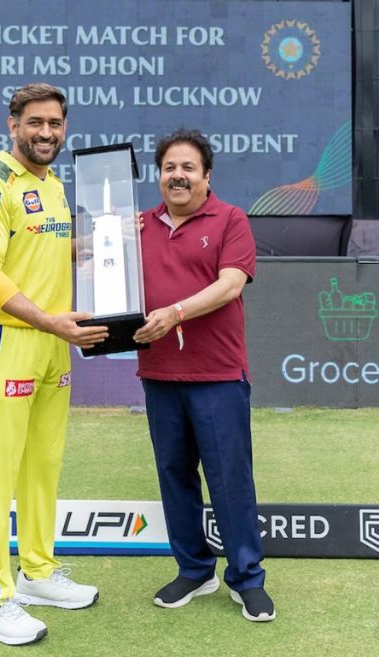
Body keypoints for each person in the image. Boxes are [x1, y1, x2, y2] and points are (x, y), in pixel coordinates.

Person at [0, 83, 108, 646]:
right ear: (12, 125)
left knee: (42, 466)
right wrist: (50, 323)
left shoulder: (52, 184)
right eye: (35, 123)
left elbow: (48, 246)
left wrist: (103, 244)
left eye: (55, 123)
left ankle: (38, 573)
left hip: (54, 342)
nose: (47, 133)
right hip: (13, 341)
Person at [132, 129, 272, 621]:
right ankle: (194, 570)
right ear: (159, 175)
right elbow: (92, 264)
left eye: (188, 167)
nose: (178, 175)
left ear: (206, 176)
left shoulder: (231, 219)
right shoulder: (137, 227)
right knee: (175, 476)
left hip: (217, 374)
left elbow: (231, 284)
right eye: (169, 167)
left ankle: (246, 578)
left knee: (230, 479)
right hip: (160, 373)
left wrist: (174, 313)